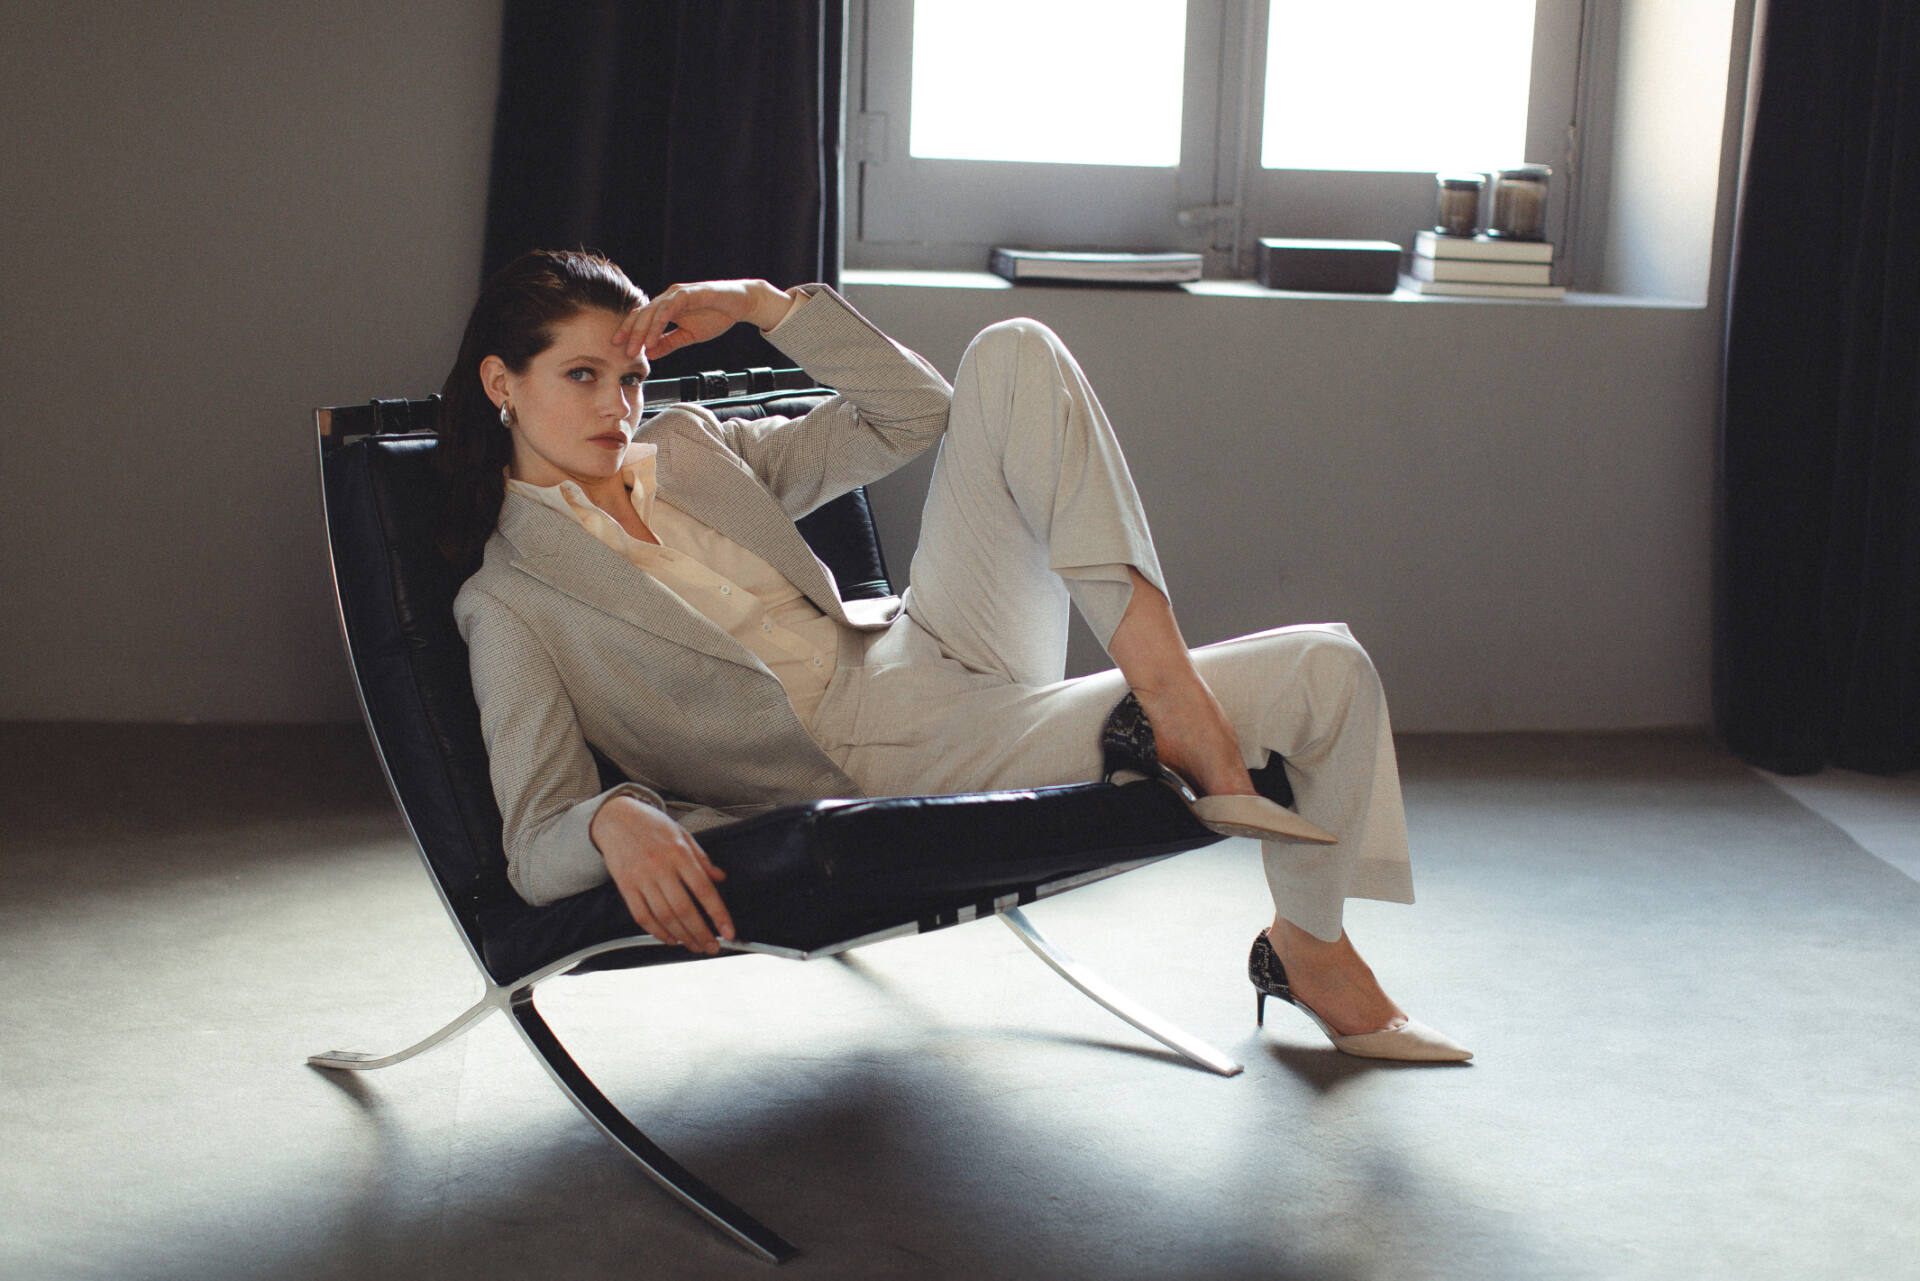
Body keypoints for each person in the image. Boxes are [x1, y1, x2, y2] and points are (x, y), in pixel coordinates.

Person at [437, 249, 1470, 1062]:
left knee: (1015, 350)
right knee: (1326, 670)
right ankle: (1312, 950)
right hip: (868, 762)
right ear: (501, 382)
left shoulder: (695, 449)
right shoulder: (512, 597)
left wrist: (767, 308)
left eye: (630, 376)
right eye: (582, 376)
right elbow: (534, 838)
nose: (617, 406)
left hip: (925, 642)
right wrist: (614, 816)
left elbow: (917, 412)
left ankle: (1182, 715)